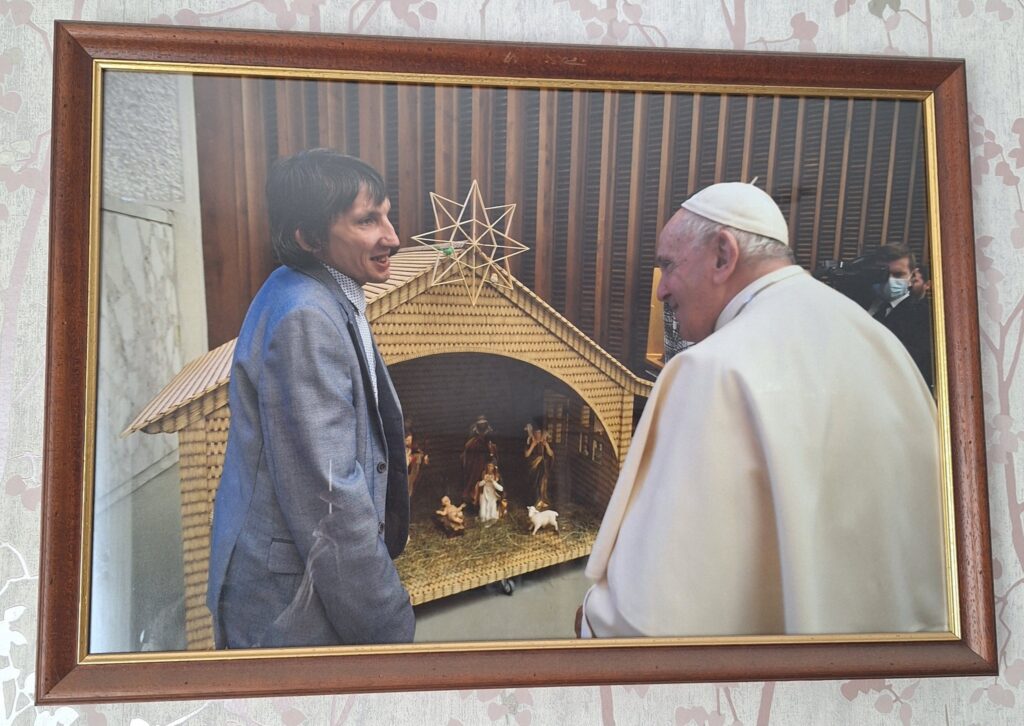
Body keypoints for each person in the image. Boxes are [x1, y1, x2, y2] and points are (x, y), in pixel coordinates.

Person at [579, 182, 947, 638]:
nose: (662, 290)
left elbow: (651, 618)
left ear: (722, 255)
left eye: (668, 265)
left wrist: (592, 620)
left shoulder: (714, 370)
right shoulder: (877, 340)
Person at [206, 149, 414, 648]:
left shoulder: (310, 288)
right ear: (309, 238)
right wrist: (390, 626)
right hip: (286, 604)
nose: (392, 237)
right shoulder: (306, 317)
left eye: (387, 215)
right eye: (367, 220)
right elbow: (329, 496)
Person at [866, 245, 933, 388]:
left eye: (898, 275)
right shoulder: (860, 302)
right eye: (883, 274)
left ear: (912, 277)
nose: (890, 280)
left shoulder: (924, 315)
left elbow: (920, 363)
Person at [461, 415, 497, 507]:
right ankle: (472, 498)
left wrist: (490, 449)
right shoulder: (473, 432)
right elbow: (468, 445)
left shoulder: (489, 431)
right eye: (480, 424)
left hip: (486, 458)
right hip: (475, 459)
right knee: (473, 477)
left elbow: (492, 445)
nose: (482, 425)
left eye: (483, 423)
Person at [524, 422, 554, 508]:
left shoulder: (544, 442)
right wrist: (532, 445)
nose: (538, 435)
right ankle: (535, 502)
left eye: (539, 433)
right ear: (534, 433)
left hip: (542, 467)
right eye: (536, 433)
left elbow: (551, 454)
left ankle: (542, 500)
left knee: (542, 483)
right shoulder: (530, 442)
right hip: (533, 469)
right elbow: (526, 455)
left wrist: (546, 445)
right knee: (535, 484)